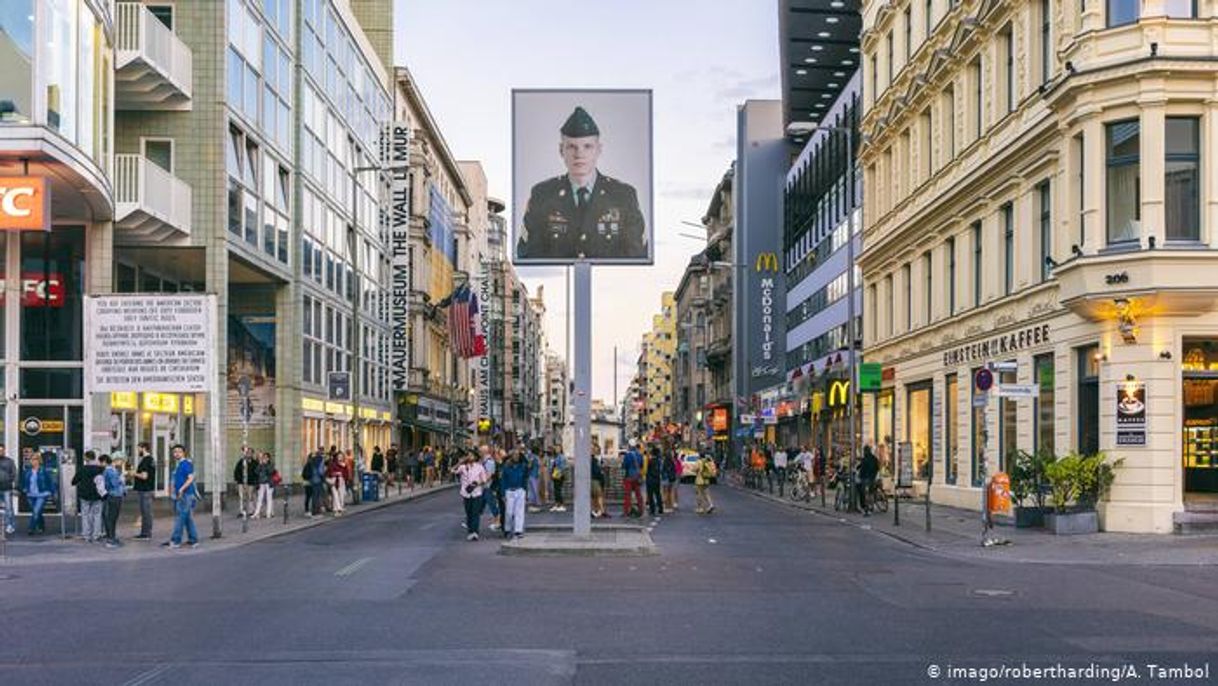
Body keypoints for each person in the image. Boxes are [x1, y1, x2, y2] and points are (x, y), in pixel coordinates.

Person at [518, 106, 647, 260]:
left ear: (598, 150)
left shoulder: (623, 196)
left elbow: (638, 253)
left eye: (587, 146)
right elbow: (528, 254)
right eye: (572, 146)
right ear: (561, 150)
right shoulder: (542, 195)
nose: (579, 154)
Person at [164, 444, 199, 549]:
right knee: (188, 518)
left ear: (184, 453)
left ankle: (176, 540)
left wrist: (181, 489)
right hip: (184, 494)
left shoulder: (185, 464)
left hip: (185, 494)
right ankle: (193, 540)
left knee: (180, 518)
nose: (176, 453)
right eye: (175, 452)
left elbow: (190, 478)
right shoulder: (180, 465)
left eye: (179, 451)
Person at [18, 451, 56, 535]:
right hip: (30, 494)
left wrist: (52, 492)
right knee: (37, 512)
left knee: (35, 511)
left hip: (42, 494)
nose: (33, 461)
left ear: (39, 460)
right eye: (32, 459)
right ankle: (41, 526)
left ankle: (31, 529)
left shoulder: (44, 470)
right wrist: (23, 488)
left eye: (35, 459)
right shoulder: (27, 471)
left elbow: (51, 482)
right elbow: (23, 482)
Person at [72, 451, 106, 543]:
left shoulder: (82, 469)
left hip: (85, 495)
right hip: (97, 496)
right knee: (97, 515)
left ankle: (87, 535)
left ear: (86, 458)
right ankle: (96, 535)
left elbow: (74, 481)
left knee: (85, 515)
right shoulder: (101, 469)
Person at [454, 453, 488, 541]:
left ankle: (475, 532)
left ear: (475, 457)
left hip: (476, 492)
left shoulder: (479, 467)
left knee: (475, 513)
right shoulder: (462, 467)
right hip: (466, 493)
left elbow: (484, 479)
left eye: (472, 455)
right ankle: (470, 531)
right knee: (469, 512)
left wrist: (476, 484)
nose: (470, 457)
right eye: (468, 455)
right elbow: (452, 470)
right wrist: (459, 463)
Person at [500, 449, 528, 539]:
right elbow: (503, 480)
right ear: (511, 456)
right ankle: (507, 529)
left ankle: (518, 530)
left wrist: (525, 490)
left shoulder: (522, 466)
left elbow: (525, 478)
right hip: (509, 491)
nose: (516, 456)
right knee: (509, 512)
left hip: (520, 490)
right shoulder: (506, 467)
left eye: (518, 455)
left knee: (519, 512)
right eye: (514, 455)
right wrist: (503, 493)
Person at [100, 455, 126, 547]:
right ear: (116, 460)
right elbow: (114, 484)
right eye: (121, 460)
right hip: (114, 496)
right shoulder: (111, 471)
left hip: (114, 495)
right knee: (112, 518)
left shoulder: (112, 470)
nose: (122, 462)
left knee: (112, 518)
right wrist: (121, 480)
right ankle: (111, 539)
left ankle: (112, 537)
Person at [132, 442, 156, 539]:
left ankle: (146, 534)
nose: (138, 451)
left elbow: (144, 476)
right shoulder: (150, 460)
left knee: (146, 512)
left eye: (139, 448)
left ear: (144, 448)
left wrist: (134, 474)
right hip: (147, 489)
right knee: (146, 512)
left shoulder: (146, 460)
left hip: (145, 489)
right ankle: (145, 532)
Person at [621, 441, 645, 518]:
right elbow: (641, 465)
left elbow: (624, 466)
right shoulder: (640, 455)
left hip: (629, 477)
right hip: (637, 477)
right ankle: (641, 510)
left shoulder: (627, 455)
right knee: (638, 495)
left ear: (629, 446)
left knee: (627, 495)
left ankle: (626, 511)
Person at [480, 445, 501, 531]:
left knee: (492, 505)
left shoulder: (489, 462)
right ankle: (471, 521)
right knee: (480, 505)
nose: (479, 453)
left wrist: (480, 482)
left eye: (480, 451)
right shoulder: (484, 461)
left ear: (484, 452)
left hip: (488, 486)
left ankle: (498, 522)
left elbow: (489, 475)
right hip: (484, 487)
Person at [233, 446, 258, 517]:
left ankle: (250, 511)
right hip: (241, 482)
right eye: (247, 453)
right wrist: (237, 480)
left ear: (252, 454)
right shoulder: (241, 461)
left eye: (250, 453)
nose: (249, 454)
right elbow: (236, 471)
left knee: (250, 497)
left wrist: (255, 481)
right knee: (241, 497)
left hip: (251, 483)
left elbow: (256, 473)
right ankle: (242, 511)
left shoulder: (255, 463)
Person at [858, 444, 880, 516]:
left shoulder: (864, 459)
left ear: (865, 451)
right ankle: (871, 506)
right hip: (872, 478)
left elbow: (862, 469)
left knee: (862, 491)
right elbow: (877, 467)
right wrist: (874, 474)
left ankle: (865, 507)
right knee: (871, 492)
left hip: (865, 478)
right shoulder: (874, 458)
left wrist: (859, 476)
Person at [252, 451, 275, 518]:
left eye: (265, 457)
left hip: (269, 483)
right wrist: (260, 464)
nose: (264, 459)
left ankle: (268, 513)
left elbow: (271, 472)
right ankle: (256, 513)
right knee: (260, 498)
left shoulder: (271, 464)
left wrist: (265, 465)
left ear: (268, 458)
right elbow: (256, 471)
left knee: (269, 498)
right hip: (261, 483)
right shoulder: (261, 464)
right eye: (263, 457)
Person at [644, 446, 664, 516]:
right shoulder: (659, 461)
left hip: (650, 479)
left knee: (650, 495)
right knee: (658, 494)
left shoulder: (650, 461)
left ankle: (652, 510)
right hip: (657, 479)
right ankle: (660, 508)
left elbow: (646, 470)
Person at [327, 451, 349, 516]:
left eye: (341, 457)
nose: (340, 458)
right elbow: (329, 472)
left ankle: (338, 508)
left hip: (341, 481)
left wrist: (345, 478)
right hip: (334, 481)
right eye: (339, 456)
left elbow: (346, 474)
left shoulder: (344, 465)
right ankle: (337, 509)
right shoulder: (333, 464)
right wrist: (336, 473)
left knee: (341, 496)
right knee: (335, 495)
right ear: (336, 457)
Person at [0, 445, 16, 536]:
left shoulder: (9, 461)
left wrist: (14, 485)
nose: (0, 452)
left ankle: (10, 525)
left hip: (7, 488)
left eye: (2, 450)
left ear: (4, 451)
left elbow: (14, 473)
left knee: (9, 508)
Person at [308, 448, 327, 517]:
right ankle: (316, 512)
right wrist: (324, 479)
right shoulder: (321, 460)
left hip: (312, 480)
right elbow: (321, 471)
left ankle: (314, 511)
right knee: (318, 496)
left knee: (314, 496)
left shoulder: (312, 460)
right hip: (318, 480)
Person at [590, 451, 608, 518]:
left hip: (590, 480)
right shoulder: (594, 461)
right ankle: (601, 511)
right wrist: (601, 473)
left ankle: (595, 511)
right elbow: (597, 471)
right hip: (595, 480)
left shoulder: (587, 461)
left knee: (593, 497)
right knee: (599, 496)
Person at [525, 448, 542, 513]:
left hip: (532, 474)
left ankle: (535, 502)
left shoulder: (533, 457)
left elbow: (530, 466)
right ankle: (536, 502)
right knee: (535, 489)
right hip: (535, 474)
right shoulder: (537, 458)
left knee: (532, 489)